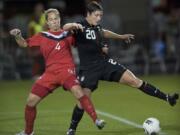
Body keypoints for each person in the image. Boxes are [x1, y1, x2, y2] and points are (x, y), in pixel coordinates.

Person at [63, 2, 179, 135]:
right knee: (83, 99)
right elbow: (65, 27)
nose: (99, 18)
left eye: (101, 15)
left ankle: (167, 98)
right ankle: (72, 129)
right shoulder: (80, 25)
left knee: (134, 81)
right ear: (88, 14)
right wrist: (72, 25)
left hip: (104, 63)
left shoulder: (97, 27)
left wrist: (121, 37)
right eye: (97, 15)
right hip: (88, 68)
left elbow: (104, 33)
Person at [10, 8, 105, 135]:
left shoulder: (68, 34)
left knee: (78, 92)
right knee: (30, 102)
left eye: (56, 19)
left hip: (67, 71)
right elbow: (24, 44)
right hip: (49, 74)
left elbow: (85, 42)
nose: (54, 21)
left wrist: (97, 45)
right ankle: (28, 132)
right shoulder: (42, 36)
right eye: (51, 20)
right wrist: (17, 35)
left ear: (59, 20)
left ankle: (96, 120)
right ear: (47, 23)